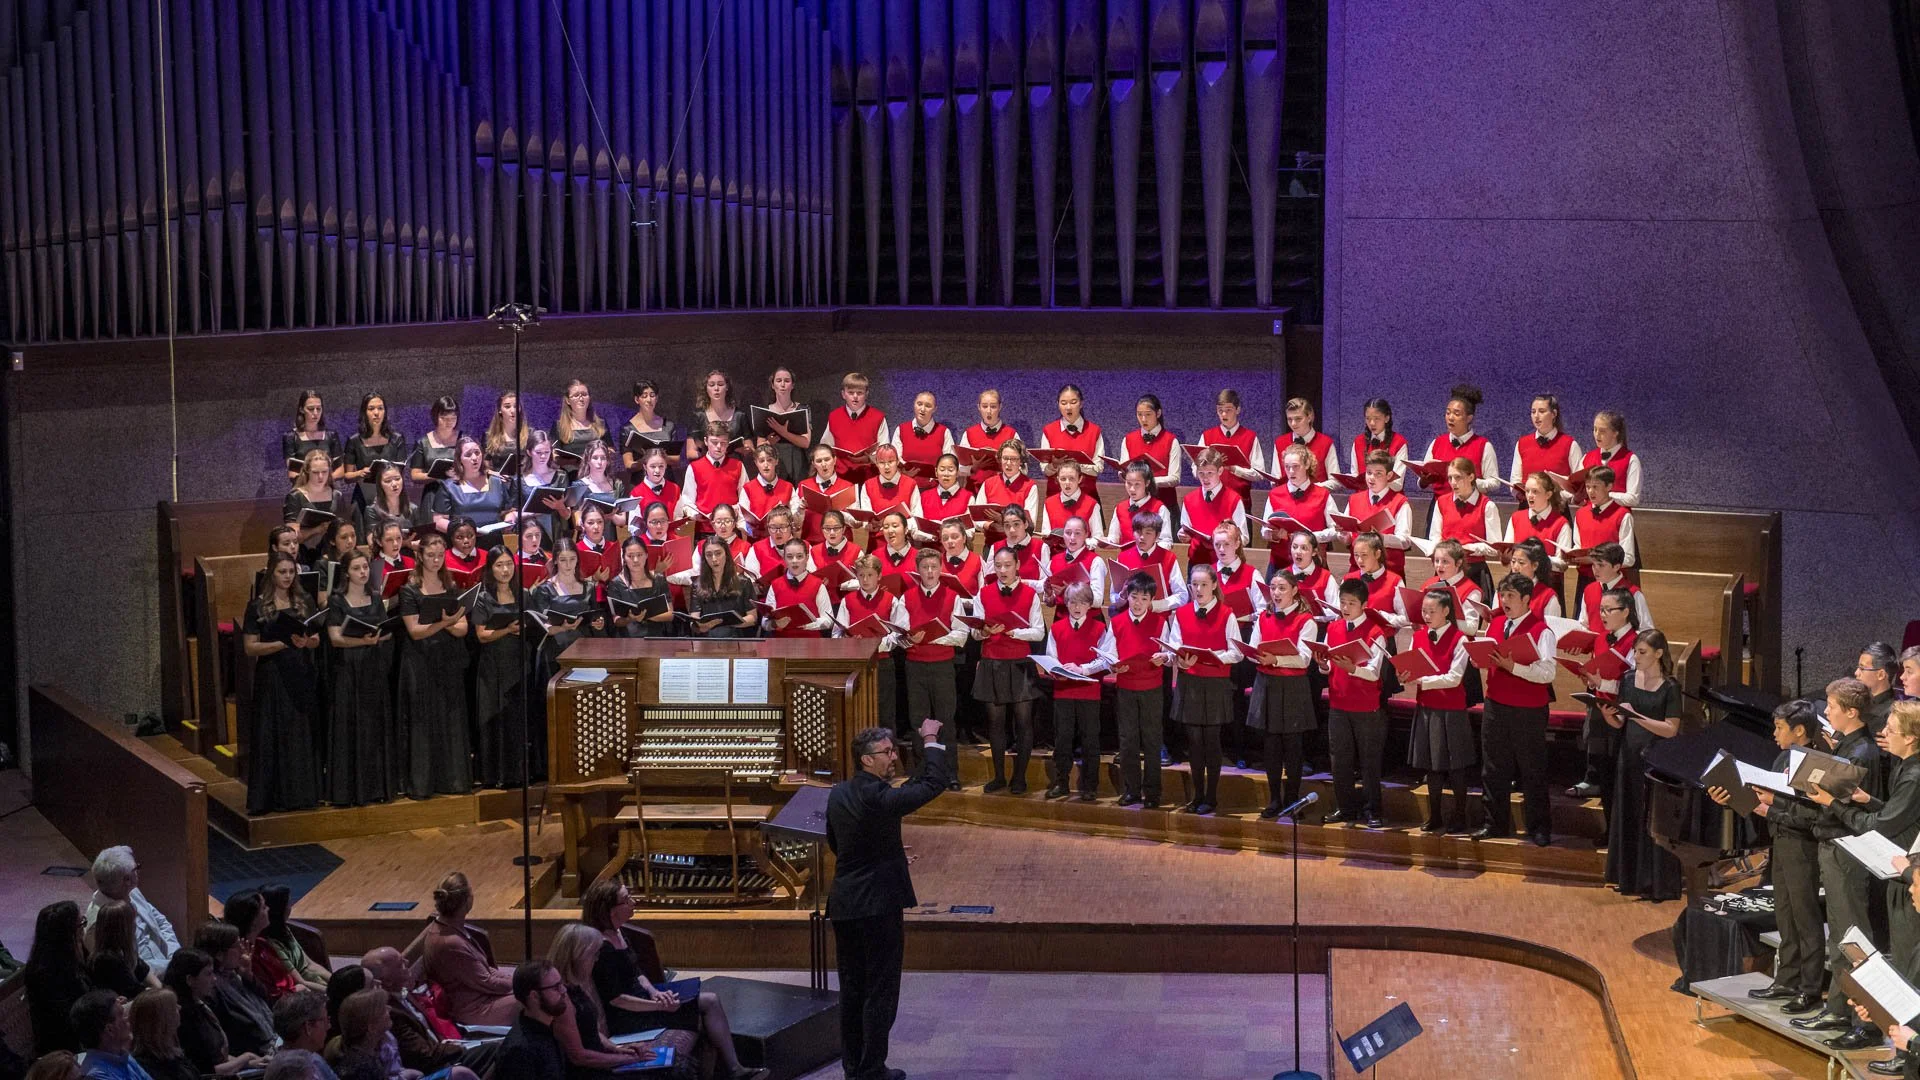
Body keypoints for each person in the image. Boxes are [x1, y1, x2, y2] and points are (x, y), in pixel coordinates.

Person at [828, 719, 950, 1080]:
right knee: (880, 989)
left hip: (845, 903)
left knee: (851, 989)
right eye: (887, 752)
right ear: (867, 760)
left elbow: (838, 843)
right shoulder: (879, 797)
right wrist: (929, 739)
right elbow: (932, 783)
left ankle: (853, 1067)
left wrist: (883, 853)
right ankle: (872, 1070)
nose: (893, 757)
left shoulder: (839, 793)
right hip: (876, 906)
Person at [1707, 702, 1827, 1015]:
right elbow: (1765, 798)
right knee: (1786, 916)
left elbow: (1808, 815)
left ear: (1799, 730)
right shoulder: (1783, 757)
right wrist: (1733, 796)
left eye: (1780, 728)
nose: (1774, 734)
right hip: (1782, 844)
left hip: (1804, 848)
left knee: (1806, 920)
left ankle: (1810, 989)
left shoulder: (1815, 762)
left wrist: (1766, 808)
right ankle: (1786, 980)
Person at [1790, 681, 1891, 1049]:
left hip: (1847, 850)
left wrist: (1823, 797)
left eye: (1832, 706)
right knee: (1841, 938)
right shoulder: (1848, 745)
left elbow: (1856, 810)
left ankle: (1864, 1020)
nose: (1826, 712)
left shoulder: (1862, 752)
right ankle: (1837, 1007)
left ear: (1851, 712)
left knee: (1853, 939)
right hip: (1833, 847)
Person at [577, 882, 763, 1079]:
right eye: (626, 900)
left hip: (643, 1000)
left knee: (706, 998)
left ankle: (731, 1068)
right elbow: (618, 1000)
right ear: (610, 910)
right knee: (708, 1003)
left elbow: (637, 972)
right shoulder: (602, 948)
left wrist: (655, 993)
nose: (634, 902)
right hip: (627, 1017)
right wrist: (658, 1007)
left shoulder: (619, 931)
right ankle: (733, 1070)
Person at [1472, 574, 1559, 846]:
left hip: (1528, 711)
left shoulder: (1541, 630)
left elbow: (1547, 673)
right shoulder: (1496, 623)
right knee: (1493, 768)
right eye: (1502, 595)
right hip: (1496, 705)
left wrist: (1514, 668)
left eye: (1510, 596)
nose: (1504, 601)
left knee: (1532, 769)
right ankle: (1494, 824)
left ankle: (1539, 828)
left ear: (1526, 599)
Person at [546, 924, 698, 1079]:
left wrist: (618, 1048)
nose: (597, 959)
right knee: (675, 1071)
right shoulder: (562, 1000)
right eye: (594, 955)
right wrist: (626, 1059)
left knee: (678, 1062)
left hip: (602, 1059)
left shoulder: (576, 988)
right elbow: (580, 1057)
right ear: (578, 956)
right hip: (591, 1072)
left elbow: (592, 1032)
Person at [1600, 631, 1684, 900]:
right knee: (1630, 813)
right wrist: (1608, 715)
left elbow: (1671, 730)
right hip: (1630, 756)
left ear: (1659, 654)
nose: (1636, 657)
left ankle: (1656, 882)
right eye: (1635, 651)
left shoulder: (1670, 686)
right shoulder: (1627, 680)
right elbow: (1620, 724)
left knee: (1653, 819)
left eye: (1642, 652)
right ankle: (1630, 879)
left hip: (1657, 761)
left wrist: (1637, 716)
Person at [1160, 564, 1244, 815]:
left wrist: (1212, 656)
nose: (1198, 589)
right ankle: (1197, 795)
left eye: (1204, 584)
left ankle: (1211, 796)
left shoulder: (1226, 613)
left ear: (1214, 586)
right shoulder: (1182, 613)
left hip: (1215, 683)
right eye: (1194, 585)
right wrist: (1178, 658)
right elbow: (1173, 644)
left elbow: (1237, 653)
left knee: (1211, 742)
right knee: (1194, 743)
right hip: (1190, 683)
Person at [243, 552, 323, 814]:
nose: (288, 576)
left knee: (298, 732)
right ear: (271, 574)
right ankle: (270, 798)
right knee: (270, 733)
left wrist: (307, 642)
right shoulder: (257, 606)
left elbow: (316, 639)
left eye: (291, 572)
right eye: (282, 572)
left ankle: (299, 796)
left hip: (299, 672)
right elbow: (250, 648)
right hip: (272, 676)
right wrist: (281, 643)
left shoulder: (303, 601)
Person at [396, 533, 473, 799]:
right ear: (419, 556)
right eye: (430, 555)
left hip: (448, 660)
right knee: (423, 720)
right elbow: (415, 631)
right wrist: (444, 623)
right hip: (420, 661)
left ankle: (453, 780)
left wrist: (449, 624)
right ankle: (423, 783)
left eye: (440, 555)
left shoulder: (451, 589)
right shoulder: (409, 590)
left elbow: (463, 629)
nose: (436, 560)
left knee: (451, 718)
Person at [970, 548, 1046, 793]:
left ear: (1017, 566)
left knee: (1023, 722)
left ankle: (1020, 778)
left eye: (1007, 566)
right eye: (999, 566)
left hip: (1019, 663)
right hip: (992, 661)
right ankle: (999, 776)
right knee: (996, 723)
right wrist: (983, 632)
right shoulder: (984, 593)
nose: (1002, 571)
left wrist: (1013, 631)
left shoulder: (1030, 594)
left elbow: (1039, 631)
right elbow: (975, 630)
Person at [1245, 570, 1319, 819]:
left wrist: (1275, 659)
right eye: (1273, 588)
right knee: (1272, 748)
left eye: (1282, 588)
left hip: (1292, 688)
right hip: (1267, 684)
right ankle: (1274, 799)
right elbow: (1255, 645)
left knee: (1293, 748)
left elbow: (1304, 659)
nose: (1276, 593)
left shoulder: (1305, 620)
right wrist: (1253, 653)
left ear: (1295, 590)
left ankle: (1292, 799)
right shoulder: (1264, 616)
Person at [1317, 578, 1390, 827]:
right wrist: (1322, 663)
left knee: (1369, 762)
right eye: (1343, 602)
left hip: (1366, 707)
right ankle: (1345, 807)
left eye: (1352, 603)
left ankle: (1373, 810)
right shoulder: (1334, 627)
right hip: (1339, 703)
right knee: (1340, 760)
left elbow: (1374, 672)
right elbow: (1327, 665)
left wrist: (1352, 669)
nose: (1346, 607)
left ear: (1364, 605)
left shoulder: (1376, 632)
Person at [325, 550, 395, 806]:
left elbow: (386, 631)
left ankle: (376, 787)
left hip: (372, 668)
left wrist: (378, 637)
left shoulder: (375, 598)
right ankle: (349, 791)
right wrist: (361, 640)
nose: (363, 572)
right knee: (350, 726)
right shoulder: (337, 601)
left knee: (373, 727)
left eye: (365, 567)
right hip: (348, 670)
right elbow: (334, 639)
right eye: (357, 568)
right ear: (347, 573)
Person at [360, 946, 496, 1077]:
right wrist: (461, 1048)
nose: (407, 963)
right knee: (496, 1050)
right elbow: (423, 1054)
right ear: (387, 981)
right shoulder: (389, 1013)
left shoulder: (402, 991)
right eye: (400, 964)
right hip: (435, 1065)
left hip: (443, 1045)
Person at [1405, 587, 1474, 834]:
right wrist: (1407, 675)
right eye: (1424, 610)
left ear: (1446, 611)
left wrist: (1424, 680)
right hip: (1427, 708)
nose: (1426, 615)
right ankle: (1434, 815)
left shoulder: (1460, 639)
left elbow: (1455, 677)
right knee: (1431, 766)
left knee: (1456, 766)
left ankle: (1460, 815)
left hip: (1452, 709)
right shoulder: (1419, 636)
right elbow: (1413, 665)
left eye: (1431, 611)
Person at [1043, 582, 1116, 801]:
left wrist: (1082, 669)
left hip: (1089, 691)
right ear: (1066, 604)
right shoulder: (1057, 628)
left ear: (1089, 605)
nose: (1077, 607)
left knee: (1090, 739)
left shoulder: (1099, 628)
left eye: (1082, 602)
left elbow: (1106, 660)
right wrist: (1058, 668)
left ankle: (1090, 786)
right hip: (1064, 691)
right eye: (1073, 602)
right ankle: (1061, 782)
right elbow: (1050, 656)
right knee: (1063, 739)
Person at [418, 873, 519, 1028]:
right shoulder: (450, 943)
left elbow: (486, 972)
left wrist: (520, 979)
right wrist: (522, 983)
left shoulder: (450, 928)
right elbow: (487, 982)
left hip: (479, 995)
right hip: (474, 1009)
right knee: (539, 997)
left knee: (541, 986)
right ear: (466, 901)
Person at [900, 549, 969, 765]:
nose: (930, 572)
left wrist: (935, 638)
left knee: (946, 719)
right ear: (918, 570)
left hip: (942, 666)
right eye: (925, 568)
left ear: (941, 569)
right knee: (918, 720)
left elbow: (961, 634)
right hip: (915, 666)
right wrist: (910, 640)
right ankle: (923, 770)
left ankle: (950, 771)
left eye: (934, 567)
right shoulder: (907, 597)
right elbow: (898, 634)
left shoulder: (952, 597)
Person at [836, 554, 909, 739]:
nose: (865, 580)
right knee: (857, 712)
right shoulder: (848, 600)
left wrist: (876, 643)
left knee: (885, 713)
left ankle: (887, 758)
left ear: (879, 576)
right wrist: (848, 640)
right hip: (856, 665)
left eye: (869, 575)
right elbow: (837, 633)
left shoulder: (891, 600)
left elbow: (900, 633)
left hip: (882, 664)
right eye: (861, 575)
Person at [160, 948, 264, 1076]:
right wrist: (245, 1058)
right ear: (190, 980)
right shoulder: (182, 1018)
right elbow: (205, 1070)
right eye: (208, 974)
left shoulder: (203, 1006)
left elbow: (219, 1057)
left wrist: (252, 1062)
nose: (214, 979)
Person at [85, 848, 179, 978]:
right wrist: (173, 966)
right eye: (136, 868)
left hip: (168, 962)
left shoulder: (132, 891)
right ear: (127, 880)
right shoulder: (98, 923)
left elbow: (162, 923)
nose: (138, 872)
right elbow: (125, 968)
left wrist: (175, 954)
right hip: (147, 981)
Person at [193, 921, 276, 1057]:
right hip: (252, 1058)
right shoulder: (211, 988)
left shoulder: (233, 975)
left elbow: (267, 1001)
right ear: (219, 954)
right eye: (237, 946)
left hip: (269, 1045)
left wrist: (248, 975)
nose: (243, 951)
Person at [27, 901, 90, 1054]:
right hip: (66, 1050)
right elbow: (68, 1020)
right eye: (81, 924)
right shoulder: (44, 974)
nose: (83, 929)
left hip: (86, 1032)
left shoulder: (74, 955)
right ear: (67, 934)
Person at [1421, 384, 1500, 495]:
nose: (1450, 417)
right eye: (1448, 413)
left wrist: (1470, 482)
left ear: (1469, 418)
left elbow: (1495, 483)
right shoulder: (1437, 443)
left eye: (1456, 413)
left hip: (1471, 506)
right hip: (1440, 504)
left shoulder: (1483, 445)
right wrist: (1424, 480)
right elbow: (1421, 480)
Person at [499, 961, 569, 1080]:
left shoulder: (547, 1028)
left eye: (561, 984)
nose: (563, 991)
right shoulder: (520, 1051)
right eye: (556, 987)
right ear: (534, 996)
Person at [130, 988, 220, 1080]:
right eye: (174, 1006)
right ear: (162, 1019)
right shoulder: (147, 1067)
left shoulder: (172, 1052)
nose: (180, 1007)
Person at [1181, 448, 1248, 568]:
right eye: (1201, 473)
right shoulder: (1189, 499)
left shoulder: (1233, 499)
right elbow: (1186, 528)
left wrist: (1226, 541)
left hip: (1224, 563)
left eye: (1210, 473)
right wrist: (1183, 536)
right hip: (1196, 563)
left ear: (1220, 471)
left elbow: (1244, 538)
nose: (1205, 478)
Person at [819, 371, 890, 483]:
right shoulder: (834, 416)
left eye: (860, 393)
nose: (855, 397)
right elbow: (825, 447)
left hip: (870, 478)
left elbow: (885, 450)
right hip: (840, 478)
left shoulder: (878, 417)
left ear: (866, 394)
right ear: (843, 394)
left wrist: (869, 459)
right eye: (851, 392)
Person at [1037, 383, 1106, 495]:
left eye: (1073, 402)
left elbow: (1098, 468)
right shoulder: (1049, 430)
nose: (1068, 407)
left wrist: (1075, 465)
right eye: (1063, 403)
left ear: (1081, 403)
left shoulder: (1094, 431)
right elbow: (1045, 469)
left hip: (1087, 496)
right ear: (1058, 405)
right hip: (1055, 496)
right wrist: (1054, 465)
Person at [342, 392, 409, 508]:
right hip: (364, 495)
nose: (376, 413)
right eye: (371, 409)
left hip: (392, 495)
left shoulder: (396, 439)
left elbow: (401, 470)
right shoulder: (354, 441)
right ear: (364, 413)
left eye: (380, 408)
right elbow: (347, 476)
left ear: (385, 412)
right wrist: (360, 473)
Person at [1198, 388, 1265, 504]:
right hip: (1212, 501)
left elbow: (1259, 474)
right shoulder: (1207, 436)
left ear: (1237, 409)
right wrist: (1207, 467)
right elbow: (1195, 469)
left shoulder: (1250, 437)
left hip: (1241, 502)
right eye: (1220, 410)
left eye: (1228, 410)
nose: (1224, 414)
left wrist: (1234, 469)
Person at [685, 536, 760, 638]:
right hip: (709, 640)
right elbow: (694, 618)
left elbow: (752, 617)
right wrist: (700, 626)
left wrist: (726, 623)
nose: (714, 559)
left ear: (726, 554)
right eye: (709, 555)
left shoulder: (743, 582)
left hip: (737, 639)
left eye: (718, 553)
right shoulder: (697, 584)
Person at [1120, 393, 1182, 508]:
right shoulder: (1128, 439)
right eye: (1139, 415)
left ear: (1158, 413)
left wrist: (1147, 481)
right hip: (1137, 504)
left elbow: (1175, 478)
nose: (1143, 419)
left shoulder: (1171, 440)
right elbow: (1124, 469)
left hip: (1165, 504)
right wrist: (1122, 474)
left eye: (1148, 414)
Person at [70, 991, 149, 1080]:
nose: (128, 1018)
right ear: (110, 1030)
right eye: (122, 1014)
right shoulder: (97, 1076)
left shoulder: (122, 1056)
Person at [86, 902, 157, 1000]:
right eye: (132, 921)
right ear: (123, 928)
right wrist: (156, 991)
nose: (135, 925)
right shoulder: (106, 960)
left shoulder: (122, 951)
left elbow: (144, 972)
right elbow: (135, 992)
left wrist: (157, 988)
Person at [285, 450, 344, 565]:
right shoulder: (295, 497)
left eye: (324, 472)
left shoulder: (336, 495)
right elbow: (292, 537)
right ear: (307, 471)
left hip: (332, 553)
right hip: (304, 554)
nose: (321, 476)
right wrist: (317, 530)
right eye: (315, 472)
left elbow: (345, 528)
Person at [889, 389, 954, 490]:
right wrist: (902, 472)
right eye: (919, 404)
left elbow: (950, 462)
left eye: (928, 406)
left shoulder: (944, 432)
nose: (922, 409)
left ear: (934, 409)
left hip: (935, 490)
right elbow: (894, 458)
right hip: (905, 487)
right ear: (914, 404)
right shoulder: (901, 429)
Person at [972, 439, 1041, 529]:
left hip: (1017, 541)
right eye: (1005, 458)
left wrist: (1003, 521)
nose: (1008, 463)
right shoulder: (988, 483)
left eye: (1013, 459)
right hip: (992, 539)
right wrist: (990, 525)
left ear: (1021, 461)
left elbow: (1030, 523)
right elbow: (977, 519)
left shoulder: (1030, 486)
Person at [958, 388, 1020, 487]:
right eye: (985, 406)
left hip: (1003, 489)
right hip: (975, 489)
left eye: (993, 407)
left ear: (1000, 407)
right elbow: (960, 468)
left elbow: (1023, 468)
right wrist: (974, 467)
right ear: (979, 407)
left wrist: (1003, 464)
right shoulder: (969, 433)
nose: (989, 411)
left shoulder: (1011, 434)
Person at [621, 379, 684, 475]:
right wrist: (646, 460)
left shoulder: (668, 426)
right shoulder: (627, 429)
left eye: (652, 395)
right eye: (644, 396)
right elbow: (628, 464)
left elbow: (676, 459)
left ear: (657, 398)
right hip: (641, 482)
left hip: (665, 480)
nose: (649, 400)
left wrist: (661, 457)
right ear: (637, 399)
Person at [1107, 461, 1174, 550]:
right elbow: (1114, 538)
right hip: (1126, 560)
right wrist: (1105, 542)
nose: (1132, 489)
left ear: (1147, 483)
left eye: (1137, 484)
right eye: (1128, 483)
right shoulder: (1120, 508)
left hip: (1150, 560)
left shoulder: (1159, 508)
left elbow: (1166, 541)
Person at [1582, 409, 1643, 507]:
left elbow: (1633, 499)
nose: (1597, 434)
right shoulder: (1587, 457)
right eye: (1595, 429)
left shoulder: (1630, 460)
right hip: (1589, 517)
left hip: (1617, 517)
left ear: (1615, 433)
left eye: (1602, 431)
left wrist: (1606, 495)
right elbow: (1577, 489)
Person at [283, 391, 343, 485]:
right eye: (311, 409)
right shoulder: (291, 436)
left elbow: (340, 470)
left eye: (318, 409)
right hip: (303, 490)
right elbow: (292, 473)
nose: (315, 413)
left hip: (328, 488)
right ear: (302, 409)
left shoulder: (331, 435)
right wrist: (313, 484)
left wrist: (323, 482)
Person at [1347, 397, 1407, 491]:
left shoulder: (1398, 442)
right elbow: (1355, 475)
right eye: (1368, 418)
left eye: (1377, 418)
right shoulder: (1358, 441)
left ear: (1387, 418)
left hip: (1390, 499)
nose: (1372, 423)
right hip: (1364, 499)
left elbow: (1397, 484)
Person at [1279, 397, 1339, 490]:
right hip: (1287, 499)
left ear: (1309, 417)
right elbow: (1275, 479)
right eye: (1289, 419)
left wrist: (1310, 488)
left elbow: (1335, 481)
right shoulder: (1280, 442)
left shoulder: (1326, 443)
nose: (1293, 424)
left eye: (1298, 419)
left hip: (1317, 499)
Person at [408, 396, 463, 490]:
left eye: (453, 417)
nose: (449, 422)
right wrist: (438, 475)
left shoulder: (464, 439)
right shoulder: (423, 442)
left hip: (459, 492)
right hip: (433, 493)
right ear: (435, 416)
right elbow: (415, 475)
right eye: (444, 418)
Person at [1860, 642, 1902, 733]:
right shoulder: (1858, 698)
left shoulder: (1891, 714)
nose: (1856, 673)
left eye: (1862, 668)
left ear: (1881, 675)